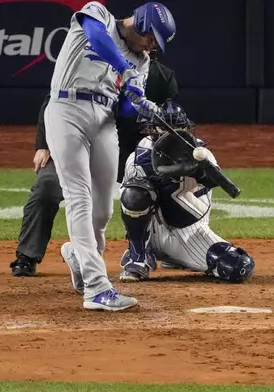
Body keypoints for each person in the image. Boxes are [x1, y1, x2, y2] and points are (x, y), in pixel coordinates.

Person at [44, 1, 176, 311]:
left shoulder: (141, 60)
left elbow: (127, 108)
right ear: (140, 23)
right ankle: (96, 287)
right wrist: (126, 72)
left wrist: (139, 103)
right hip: (66, 109)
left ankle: (78, 256)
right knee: (79, 198)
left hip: (103, 120)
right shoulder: (98, 14)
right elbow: (98, 39)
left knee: (103, 208)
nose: (151, 45)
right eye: (151, 37)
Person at [9, 48, 179, 279]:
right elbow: (54, 100)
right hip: (79, 141)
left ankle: (154, 251)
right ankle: (27, 256)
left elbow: (171, 120)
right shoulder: (94, 65)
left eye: (151, 46)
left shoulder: (161, 77)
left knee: (160, 184)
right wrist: (43, 144)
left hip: (127, 153)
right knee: (47, 186)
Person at [117, 102, 256, 283]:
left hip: (191, 233)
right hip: (152, 235)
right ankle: (138, 256)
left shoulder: (199, 153)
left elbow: (211, 185)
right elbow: (129, 204)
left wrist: (199, 170)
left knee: (239, 266)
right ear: (152, 130)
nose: (172, 133)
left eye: (178, 127)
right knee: (134, 194)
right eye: (165, 128)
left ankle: (176, 259)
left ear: (187, 128)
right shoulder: (138, 158)